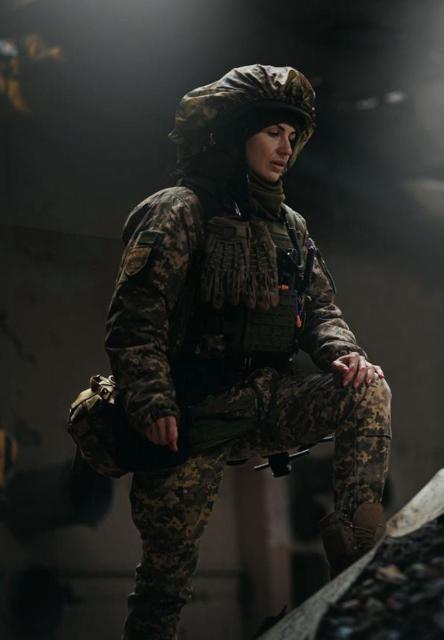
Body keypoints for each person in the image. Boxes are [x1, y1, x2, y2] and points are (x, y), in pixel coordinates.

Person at [104, 64, 392, 640]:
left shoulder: (290, 226)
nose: (285, 148)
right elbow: (137, 319)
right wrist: (152, 399)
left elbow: (321, 309)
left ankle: (359, 549)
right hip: (190, 416)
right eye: (271, 133)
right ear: (236, 135)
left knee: (368, 389)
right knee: (165, 585)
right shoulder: (179, 209)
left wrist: (343, 353)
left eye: (293, 136)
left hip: (267, 401)